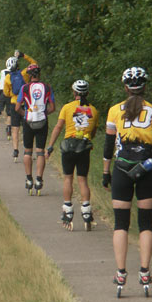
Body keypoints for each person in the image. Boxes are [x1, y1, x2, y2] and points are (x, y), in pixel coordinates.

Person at [102, 67, 152, 294]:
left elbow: (109, 146)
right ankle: (145, 271)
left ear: (126, 87)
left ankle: (121, 273)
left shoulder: (113, 111)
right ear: (145, 87)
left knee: (121, 223)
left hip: (121, 169)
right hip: (147, 169)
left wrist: (105, 172)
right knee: (146, 223)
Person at [46, 79, 99, 231]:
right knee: (82, 180)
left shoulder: (67, 108)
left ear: (74, 92)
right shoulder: (94, 111)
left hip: (69, 146)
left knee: (68, 178)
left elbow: (58, 127)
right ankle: (87, 212)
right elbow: (93, 133)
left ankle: (68, 210)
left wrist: (50, 146)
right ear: (87, 93)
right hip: (84, 147)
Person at [15, 64, 55, 195]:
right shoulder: (47, 87)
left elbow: (17, 108)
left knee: (27, 151)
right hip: (42, 121)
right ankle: (39, 179)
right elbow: (52, 107)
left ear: (30, 75)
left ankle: (28, 179)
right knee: (40, 152)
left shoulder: (24, 88)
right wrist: (44, 114)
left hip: (28, 120)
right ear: (39, 74)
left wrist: (25, 114)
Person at [3, 50, 38, 161]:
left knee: (15, 128)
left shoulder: (8, 78)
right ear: (18, 65)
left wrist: (13, 95)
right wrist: (23, 55)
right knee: (27, 127)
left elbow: (6, 93)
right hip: (26, 103)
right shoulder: (24, 73)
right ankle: (28, 150)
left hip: (14, 104)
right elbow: (34, 64)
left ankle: (15, 150)